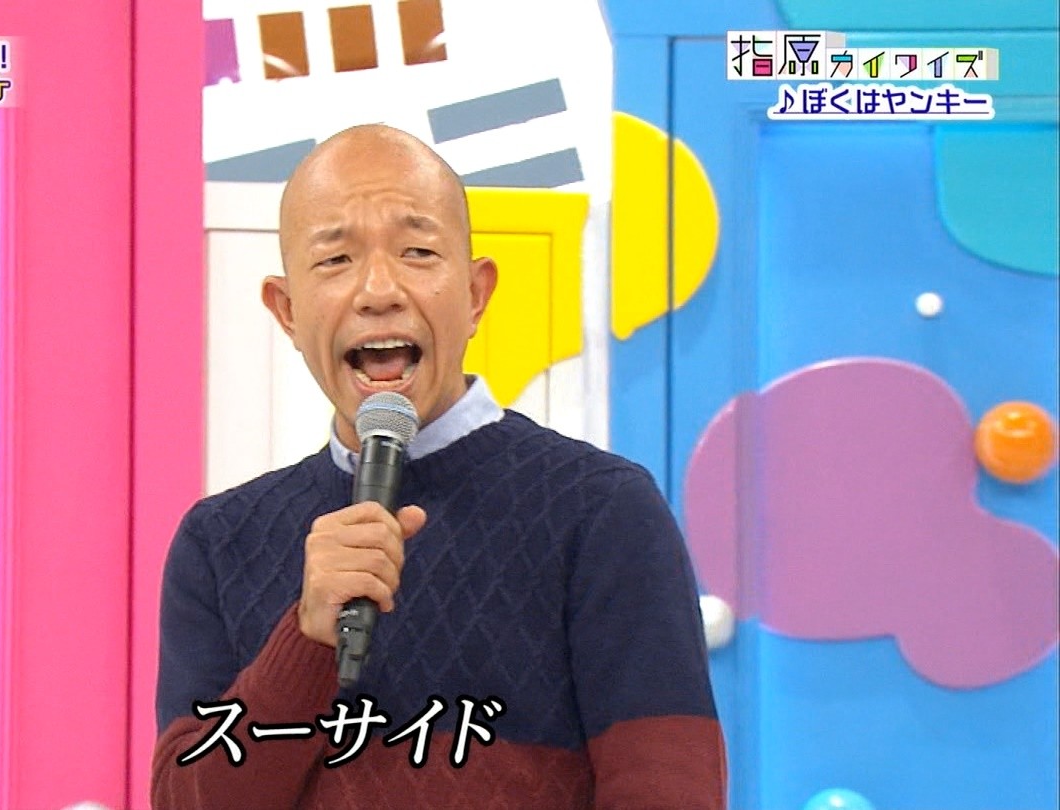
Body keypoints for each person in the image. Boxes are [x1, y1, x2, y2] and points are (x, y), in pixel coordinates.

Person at [151, 124, 725, 809]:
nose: (378, 290)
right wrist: (304, 641)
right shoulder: (219, 541)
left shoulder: (602, 510)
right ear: (287, 311)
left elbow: (669, 789)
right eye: (335, 259)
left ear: (476, 295)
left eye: (417, 252)